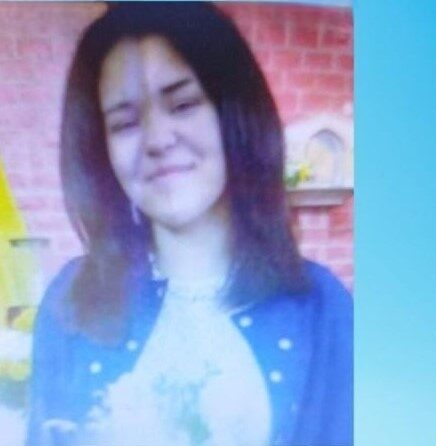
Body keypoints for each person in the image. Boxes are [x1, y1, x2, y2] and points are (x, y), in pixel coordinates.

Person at [27, 3, 352, 446]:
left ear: (234, 115)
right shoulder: (71, 302)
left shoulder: (321, 308)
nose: (158, 140)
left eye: (182, 104)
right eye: (124, 123)